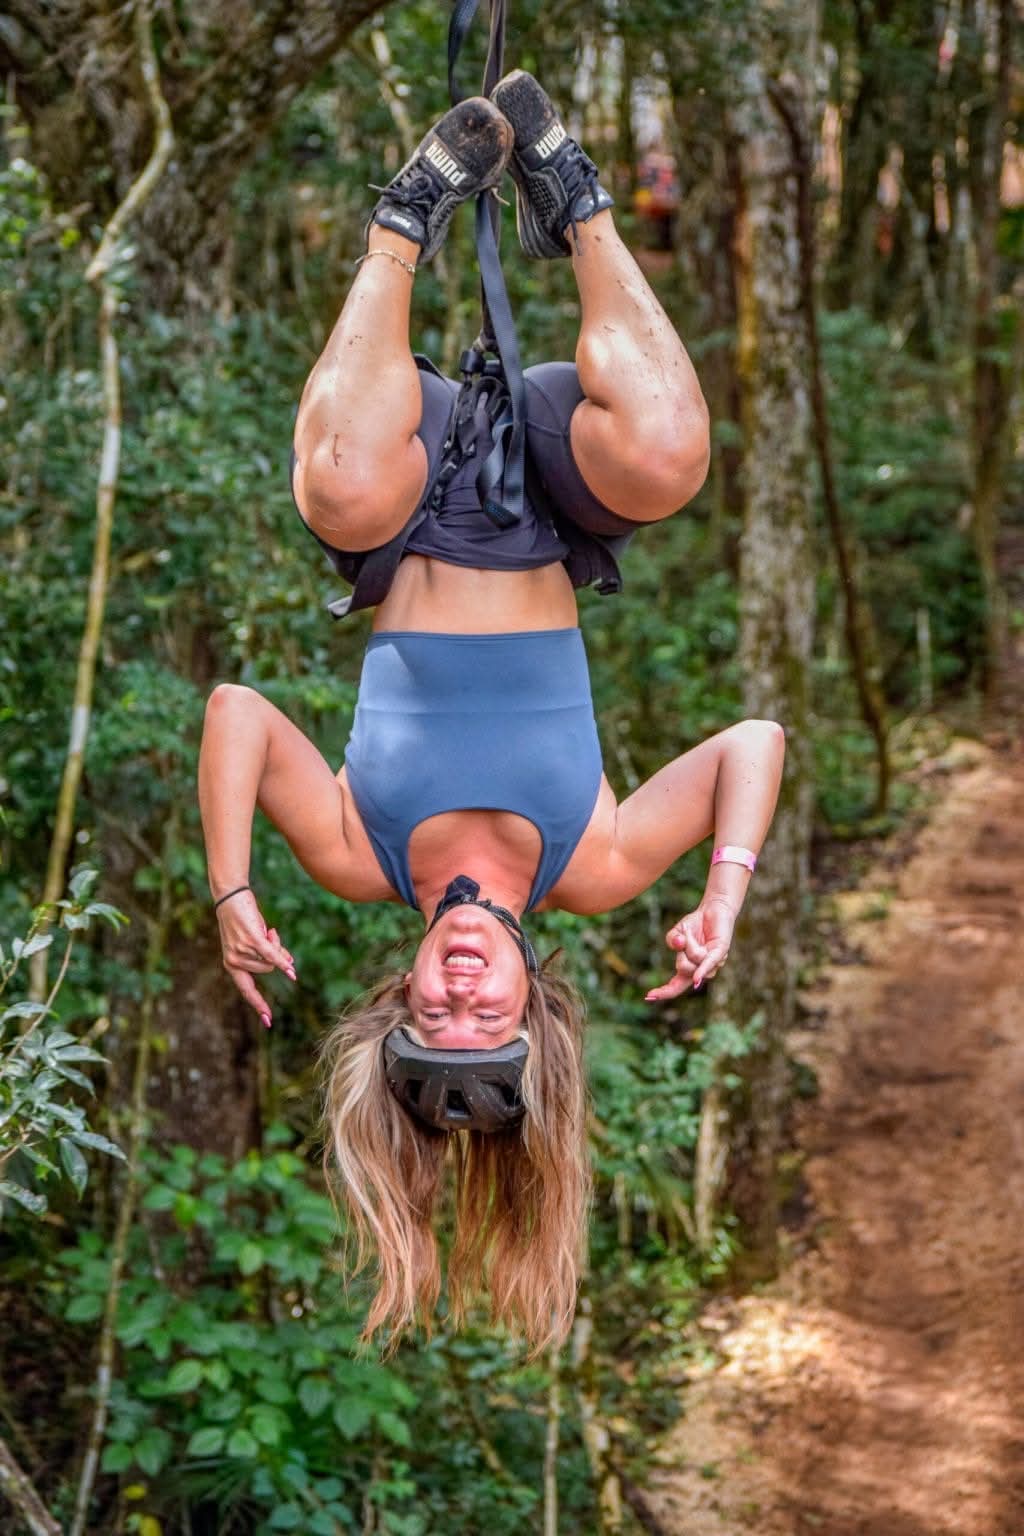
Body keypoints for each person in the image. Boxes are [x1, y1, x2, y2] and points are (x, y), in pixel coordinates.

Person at [198, 74, 785, 1353]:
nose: (462, 997)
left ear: (394, 999)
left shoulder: (359, 854)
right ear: (537, 1013)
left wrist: (234, 891)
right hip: (546, 487)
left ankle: (405, 217)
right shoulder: (597, 863)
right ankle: (569, 196)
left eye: (434, 1018)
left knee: (340, 482)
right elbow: (755, 745)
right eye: (489, 1024)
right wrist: (726, 892)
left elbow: (238, 713)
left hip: (407, 493)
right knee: (675, 452)